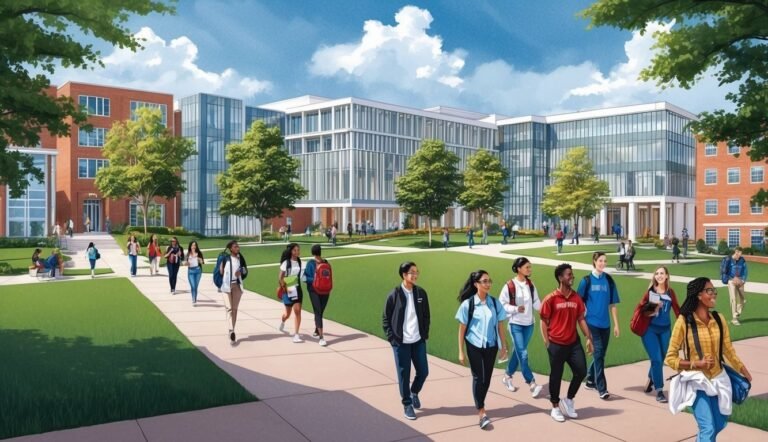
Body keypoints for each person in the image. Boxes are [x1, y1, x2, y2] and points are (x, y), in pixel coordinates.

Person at [665, 277, 752, 441]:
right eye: (709, 291)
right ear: (698, 295)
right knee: (708, 427)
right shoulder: (684, 321)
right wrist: (696, 363)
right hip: (697, 382)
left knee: (719, 424)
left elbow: (728, 350)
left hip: (719, 379)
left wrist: (743, 370)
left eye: (714, 291)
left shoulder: (718, 319)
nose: (714, 294)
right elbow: (670, 358)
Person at [456, 270, 509, 430]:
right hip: (474, 345)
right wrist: (461, 350)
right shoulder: (468, 304)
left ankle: (480, 403)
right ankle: (482, 412)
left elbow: (500, 326)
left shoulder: (495, 303)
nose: (488, 284)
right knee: (479, 377)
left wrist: (504, 346)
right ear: (476, 284)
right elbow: (462, 329)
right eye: (484, 281)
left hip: (491, 346)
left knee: (487, 378)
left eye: (489, 281)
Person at [540, 263, 593, 422]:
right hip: (556, 344)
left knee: (581, 371)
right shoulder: (551, 299)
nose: (572, 277)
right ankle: (555, 407)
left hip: (573, 343)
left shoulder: (576, 298)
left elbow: (581, 319)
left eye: (572, 274)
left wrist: (588, 337)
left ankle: (568, 400)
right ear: (560, 277)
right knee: (556, 375)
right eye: (569, 274)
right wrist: (547, 342)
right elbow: (544, 321)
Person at [382, 261, 431, 421]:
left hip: (418, 340)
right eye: (412, 272)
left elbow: (426, 315)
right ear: (404, 275)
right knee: (404, 374)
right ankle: (407, 404)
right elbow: (385, 318)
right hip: (401, 342)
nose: (415, 275)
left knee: (423, 372)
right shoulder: (394, 294)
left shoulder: (421, 293)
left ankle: (414, 391)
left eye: (417, 272)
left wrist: (424, 334)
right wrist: (392, 338)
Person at [576, 252, 620, 400]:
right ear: (594, 262)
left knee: (600, 355)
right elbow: (578, 302)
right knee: (599, 354)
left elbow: (612, 304)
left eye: (605, 261)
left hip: (605, 325)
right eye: (600, 260)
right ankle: (602, 388)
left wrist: (616, 325)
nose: (603, 263)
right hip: (591, 324)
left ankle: (589, 379)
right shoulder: (586, 281)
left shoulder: (609, 280)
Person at [499, 257, 543, 398]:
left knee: (518, 354)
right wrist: (516, 308)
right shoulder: (509, 285)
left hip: (529, 325)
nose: (530, 270)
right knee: (523, 354)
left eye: (530, 267)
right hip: (515, 324)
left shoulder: (531, 285)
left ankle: (507, 376)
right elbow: (502, 305)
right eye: (527, 267)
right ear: (519, 268)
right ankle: (532, 383)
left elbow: (537, 302)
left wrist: (547, 311)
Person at [638, 266, 680, 403]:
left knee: (661, 359)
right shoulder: (650, 292)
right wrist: (654, 307)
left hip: (665, 330)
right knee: (656, 359)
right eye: (657, 273)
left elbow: (677, 311)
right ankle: (660, 390)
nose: (659, 276)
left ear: (667, 276)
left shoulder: (671, 292)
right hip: (650, 330)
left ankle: (651, 378)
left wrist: (686, 324)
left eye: (662, 273)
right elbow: (641, 311)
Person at [304, 244, 331, 346]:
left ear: (312, 253)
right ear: (320, 252)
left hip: (314, 290)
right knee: (320, 311)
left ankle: (321, 337)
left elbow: (305, 277)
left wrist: (313, 280)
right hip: (326, 290)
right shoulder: (326, 263)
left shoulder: (310, 263)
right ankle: (317, 330)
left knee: (318, 311)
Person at [220, 240, 245, 345]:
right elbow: (220, 271)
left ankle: (232, 331)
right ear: (231, 248)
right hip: (227, 286)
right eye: (235, 247)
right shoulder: (226, 258)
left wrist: (241, 271)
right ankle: (231, 330)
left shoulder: (241, 259)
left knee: (234, 309)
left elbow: (245, 270)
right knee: (229, 308)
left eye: (238, 246)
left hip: (237, 286)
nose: (237, 248)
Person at [279, 243, 304, 342]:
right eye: (295, 250)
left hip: (297, 289)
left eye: (298, 250)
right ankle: (283, 321)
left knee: (297, 311)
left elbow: (298, 275)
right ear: (291, 251)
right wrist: (285, 287)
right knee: (288, 314)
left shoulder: (299, 261)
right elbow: (280, 278)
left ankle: (296, 334)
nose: (297, 252)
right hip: (288, 289)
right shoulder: (286, 263)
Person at [724, 247, 748, 326]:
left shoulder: (742, 260)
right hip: (731, 281)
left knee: (743, 300)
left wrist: (743, 280)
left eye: (741, 254)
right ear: (736, 252)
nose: (740, 256)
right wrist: (732, 278)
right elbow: (725, 271)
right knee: (733, 298)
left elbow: (745, 270)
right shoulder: (728, 260)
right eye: (739, 254)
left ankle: (737, 313)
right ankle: (734, 319)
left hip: (740, 281)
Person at [186, 240, 205, 305]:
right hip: (190, 271)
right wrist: (186, 263)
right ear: (190, 246)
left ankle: (195, 298)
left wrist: (199, 259)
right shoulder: (188, 253)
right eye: (192, 245)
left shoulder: (199, 253)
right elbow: (185, 263)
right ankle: (193, 300)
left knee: (196, 286)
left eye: (195, 245)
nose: (193, 246)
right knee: (193, 286)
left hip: (198, 271)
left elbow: (202, 262)